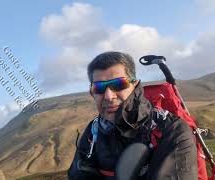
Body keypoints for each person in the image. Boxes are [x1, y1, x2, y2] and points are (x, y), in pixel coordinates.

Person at [68, 51, 198, 180]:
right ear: (92, 93)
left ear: (135, 85)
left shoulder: (172, 129)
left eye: (118, 84)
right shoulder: (93, 132)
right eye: (99, 88)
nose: (109, 96)